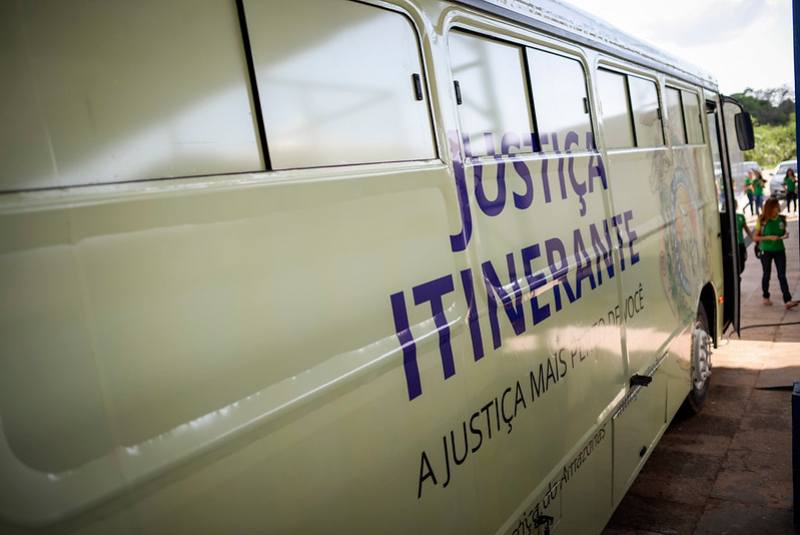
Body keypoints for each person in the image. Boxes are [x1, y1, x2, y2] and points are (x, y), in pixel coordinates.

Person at [754, 198, 799, 309]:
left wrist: (786, 234)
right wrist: (769, 237)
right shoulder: (762, 220)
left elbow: (783, 232)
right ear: (770, 207)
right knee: (766, 274)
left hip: (779, 250)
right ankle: (766, 296)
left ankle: (787, 300)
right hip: (766, 251)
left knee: (782, 275)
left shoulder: (781, 219)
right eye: (776, 206)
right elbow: (755, 237)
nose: (778, 208)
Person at [734, 199, 753, 273]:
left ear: (736, 206)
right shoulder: (726, 217)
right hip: (731, 245)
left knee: (742, 264)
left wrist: (753, 238)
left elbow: (747, 229)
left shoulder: (741, 217)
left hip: (740, 244)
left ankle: (738, 275)